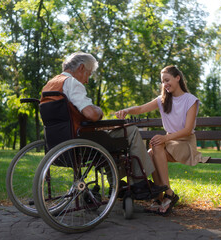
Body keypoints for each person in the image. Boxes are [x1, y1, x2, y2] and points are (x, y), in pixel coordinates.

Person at [40, 51, 166, 198]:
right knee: (130, 131)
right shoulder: (72, 83)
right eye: (88, 74)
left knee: (109, 140)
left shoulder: (50, 85)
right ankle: (137, 183)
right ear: (81, 68)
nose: (87, 80)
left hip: (58, 142)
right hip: (81, 140)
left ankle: (116, 184)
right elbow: (91, 114)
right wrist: (98, 111)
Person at [115, 65, 210, 215]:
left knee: (156, 145)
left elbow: (187, 129)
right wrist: (126, 111)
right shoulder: (163, 100)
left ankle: (168, 193)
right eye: (162, 81)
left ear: (177, 78)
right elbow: (140, 109)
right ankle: (160, 197)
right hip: (169, 143)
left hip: (185, 143)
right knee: (152, 151)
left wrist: (165, 137)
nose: (164, 84)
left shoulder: (190, 100)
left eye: (167, 80)